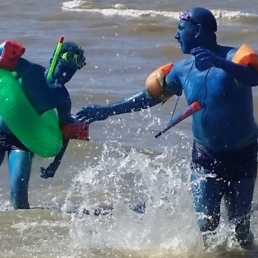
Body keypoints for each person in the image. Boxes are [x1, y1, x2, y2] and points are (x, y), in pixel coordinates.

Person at [75, 7, 258, 248]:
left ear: (199, 30)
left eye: (181, 29)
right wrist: (106, 111)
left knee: (240, 229)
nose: (176, 35)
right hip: (205, 154)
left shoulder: (233, 58)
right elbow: (148, 97)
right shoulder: (182, 71)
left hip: (242, 154)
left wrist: (219, 63)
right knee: (207, 227)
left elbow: (253, 78)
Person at [0, 40, 86, 209]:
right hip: (1, 130)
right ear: (54, 58)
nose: (67, 74)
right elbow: (4, 59)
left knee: (19, 195)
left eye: (72, 71)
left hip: (23, 141)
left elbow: (65, 131)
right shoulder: (30, 70)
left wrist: (55, 163)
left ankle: (21, 231)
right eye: (64, 67)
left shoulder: (62, 97)